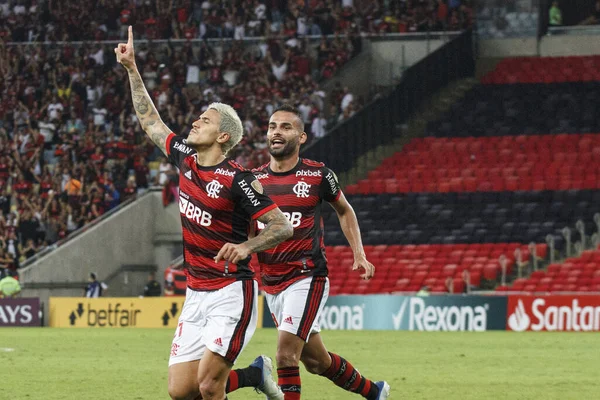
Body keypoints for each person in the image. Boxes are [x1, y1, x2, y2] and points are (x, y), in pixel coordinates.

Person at [115, 26, 292, 400]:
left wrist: (247, 247)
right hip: (196, 293)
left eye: (205, 120)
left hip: (231, 291)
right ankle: (255, 374)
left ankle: (249, 375)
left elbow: (282, 226)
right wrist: (132, 68)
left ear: (223, 136)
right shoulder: (185, 158)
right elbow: (151, 122)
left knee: (209, 386)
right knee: (182, 392)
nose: (195, 122)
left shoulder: (239, 180)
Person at [245, 105, 390, 399]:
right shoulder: (253, 181)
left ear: (301, 137)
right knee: (315, 361)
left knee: (286, 355)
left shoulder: (318, 175)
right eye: (273, 126)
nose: (276, 132)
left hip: (306, 277)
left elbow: (344, 211)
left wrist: (358, 254)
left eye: (286, 127)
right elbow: (249, 230)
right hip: (271, 283)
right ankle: (374, 392)